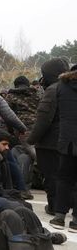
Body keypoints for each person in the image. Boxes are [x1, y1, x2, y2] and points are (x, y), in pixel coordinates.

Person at [27, 58, 70, 215]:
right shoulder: (70, 88)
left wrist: (31, 139)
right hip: (67, 140)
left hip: (49, 143)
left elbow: (43, 120)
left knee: (51, 176)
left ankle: (54, 206)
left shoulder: (53, 90)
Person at [50, 64, 77, 232]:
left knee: (63, 178)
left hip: (66, 140)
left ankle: (59, 216)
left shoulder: (61, 86)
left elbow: (55, 112)